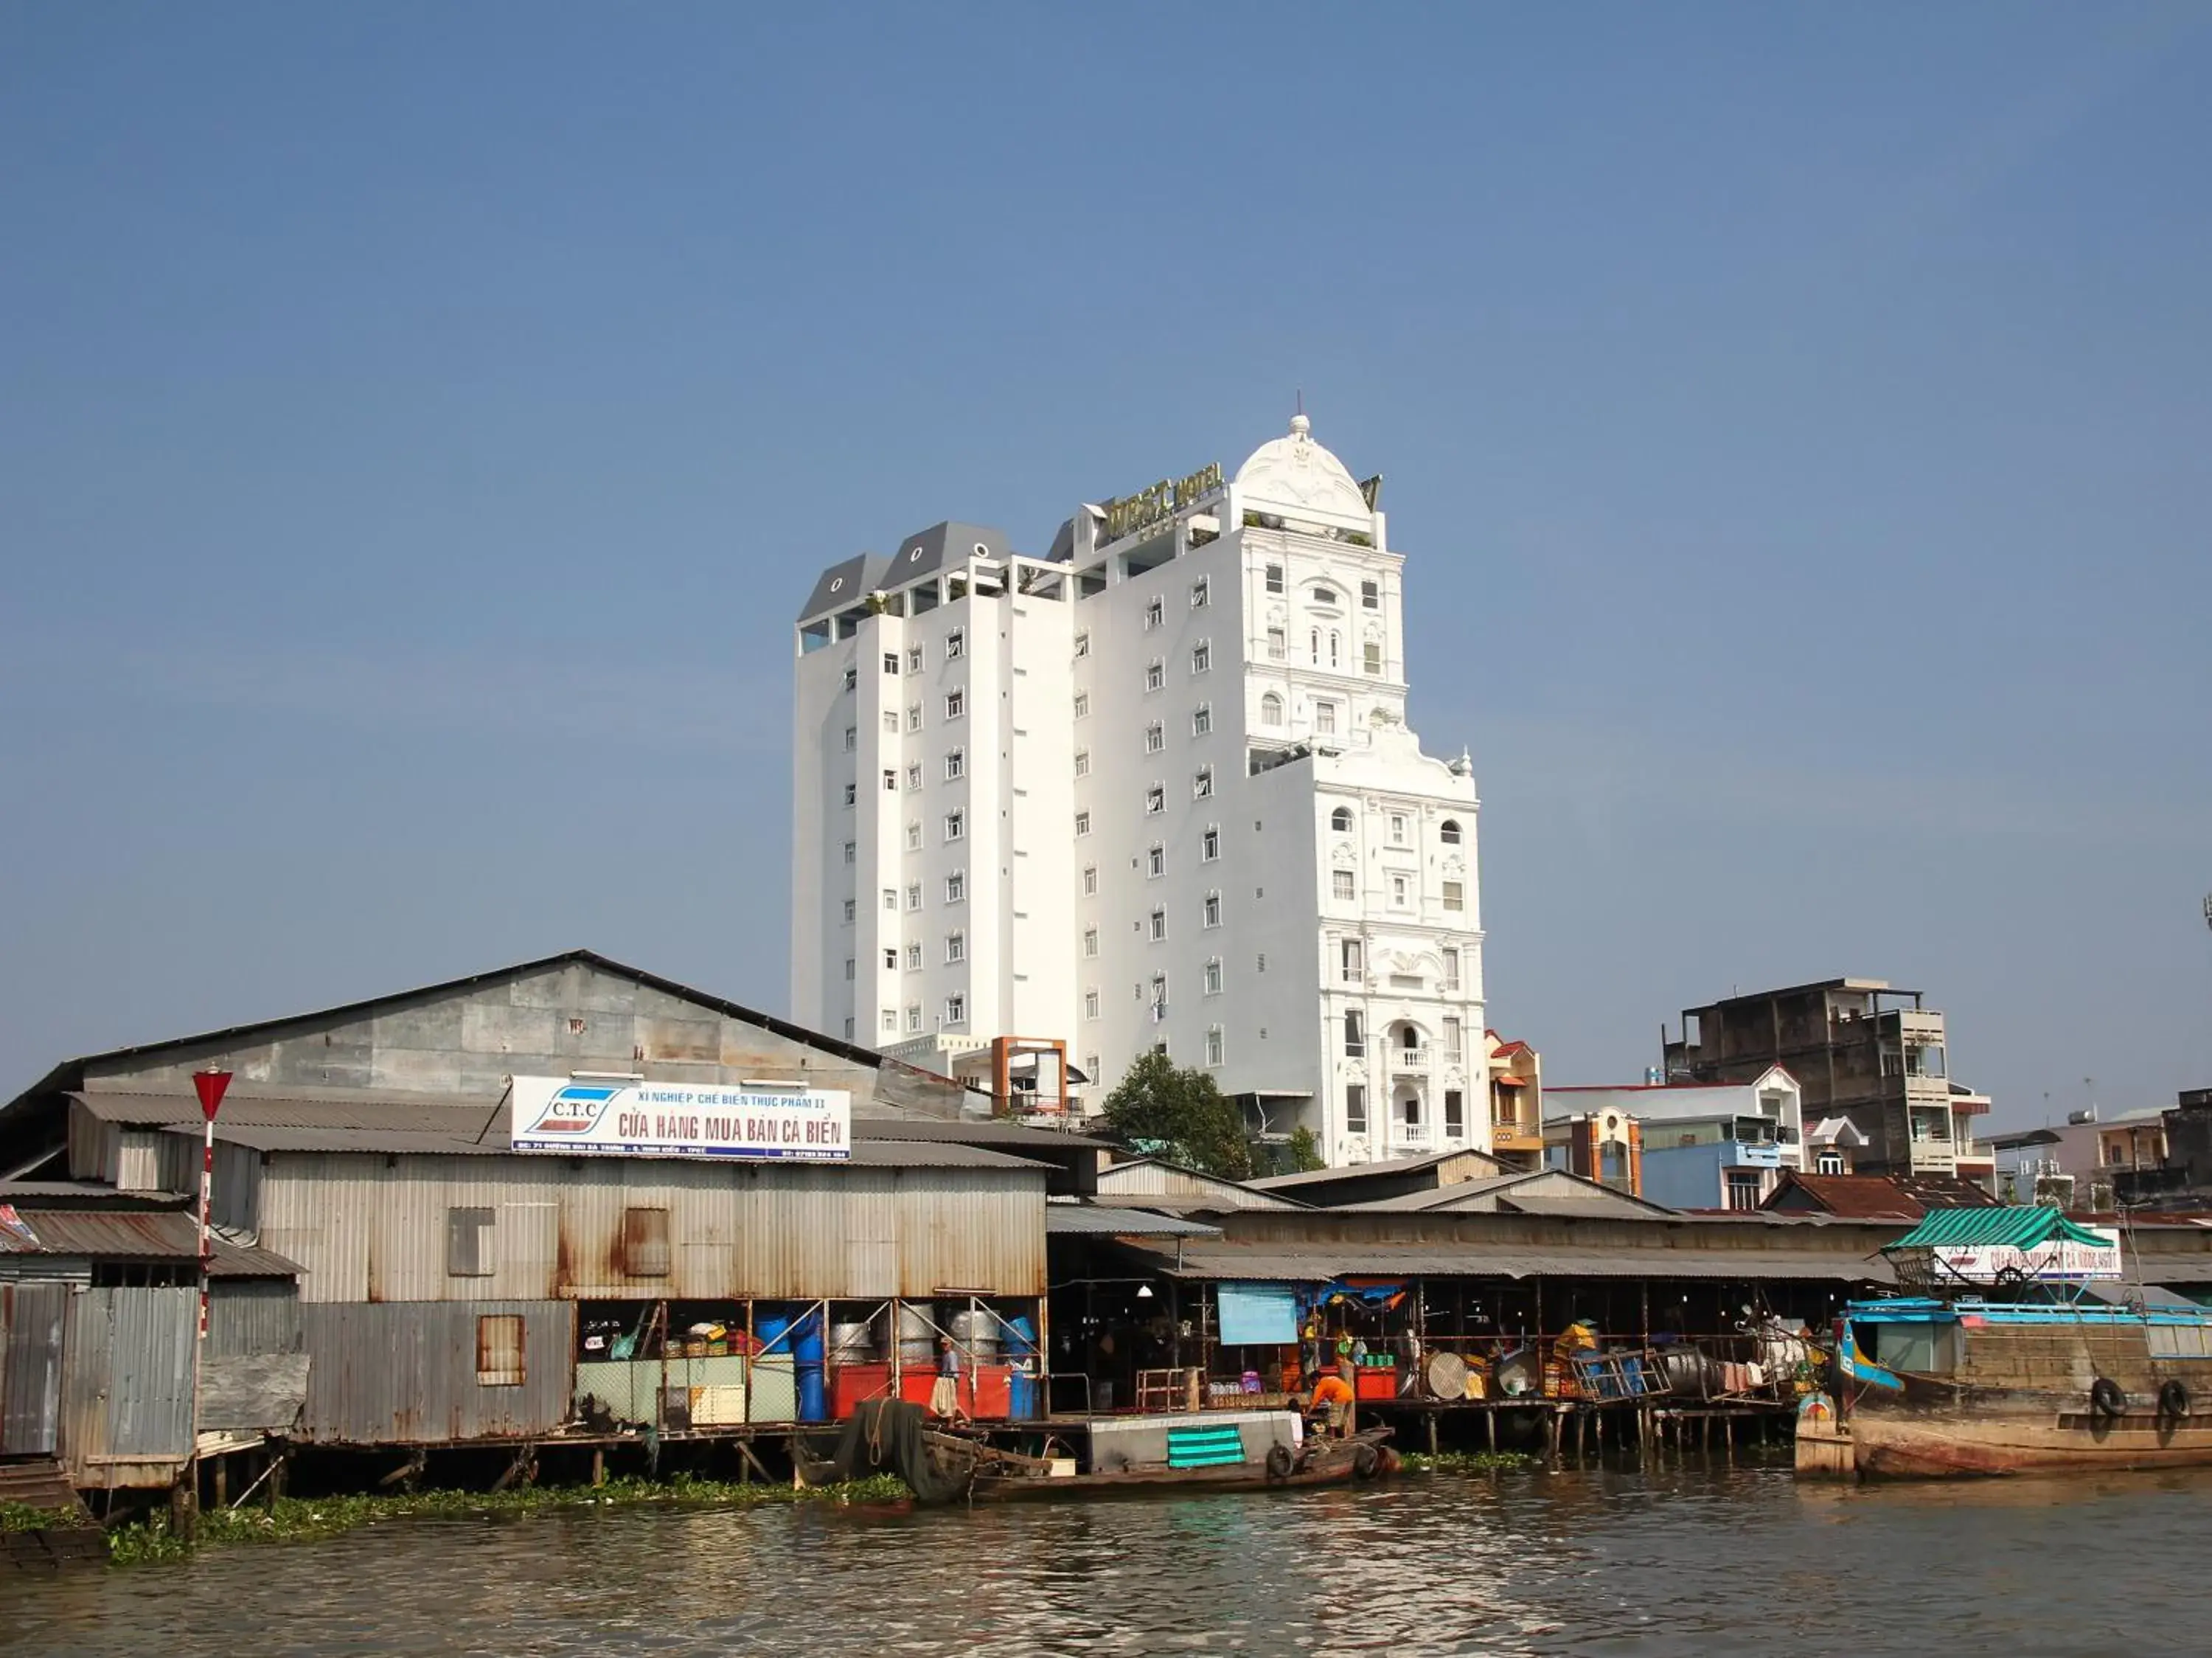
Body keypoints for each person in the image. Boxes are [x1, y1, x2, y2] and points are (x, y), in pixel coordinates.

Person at [931, 1335, 969, 1422]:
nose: (944, 1346)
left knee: (951, 1402)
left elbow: (953, 1369)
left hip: (951, 1379)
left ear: (950, 1345)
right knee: (949, 1401)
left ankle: (957, 1420)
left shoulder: (951, 1355)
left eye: (946, 1344)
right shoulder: (945, 1355)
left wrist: (953, 1380)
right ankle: (965, 1418)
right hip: (946, 1379)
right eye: (943, 1345)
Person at [1305, 1371, 1355, 1437]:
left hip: (1340, 1396)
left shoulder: (1320, 1385)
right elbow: (1321, 1398)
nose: (1313, 1384)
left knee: (1333, 1417)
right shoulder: (1329, 1379)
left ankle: (1332, 1437)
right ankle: (1344, 1436)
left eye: (1312, 1382)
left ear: (1316, 1379)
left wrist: (1307, 1414)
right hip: (1350, 1395)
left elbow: (1314, 1403)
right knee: (1343, 1419)